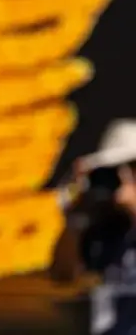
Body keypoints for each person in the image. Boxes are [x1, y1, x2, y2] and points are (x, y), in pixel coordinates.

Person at [51, 119, 136, 335]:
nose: (119, 177)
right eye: (113, 170)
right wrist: (75, 217)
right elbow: (63, 274)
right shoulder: (109, 230)